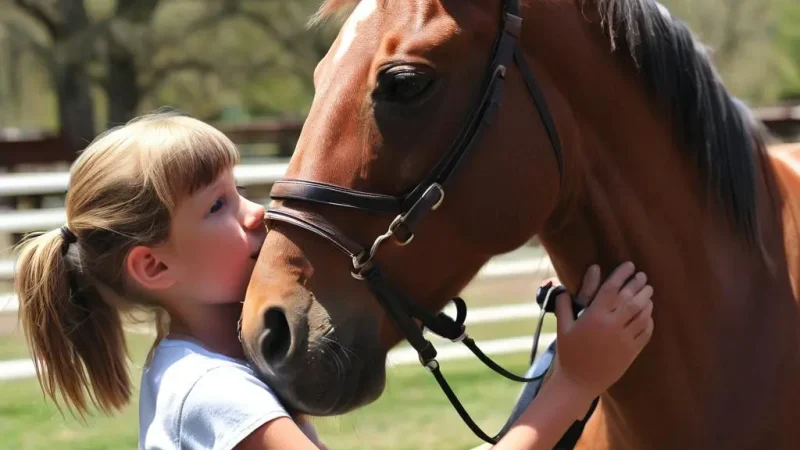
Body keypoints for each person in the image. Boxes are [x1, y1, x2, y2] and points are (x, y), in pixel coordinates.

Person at [14, 111, 653, 450]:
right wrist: (573, 384)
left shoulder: (198, 370)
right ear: (154, 266)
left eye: (238, 190)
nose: (257, 210)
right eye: (217, 206)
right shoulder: (211, 394)